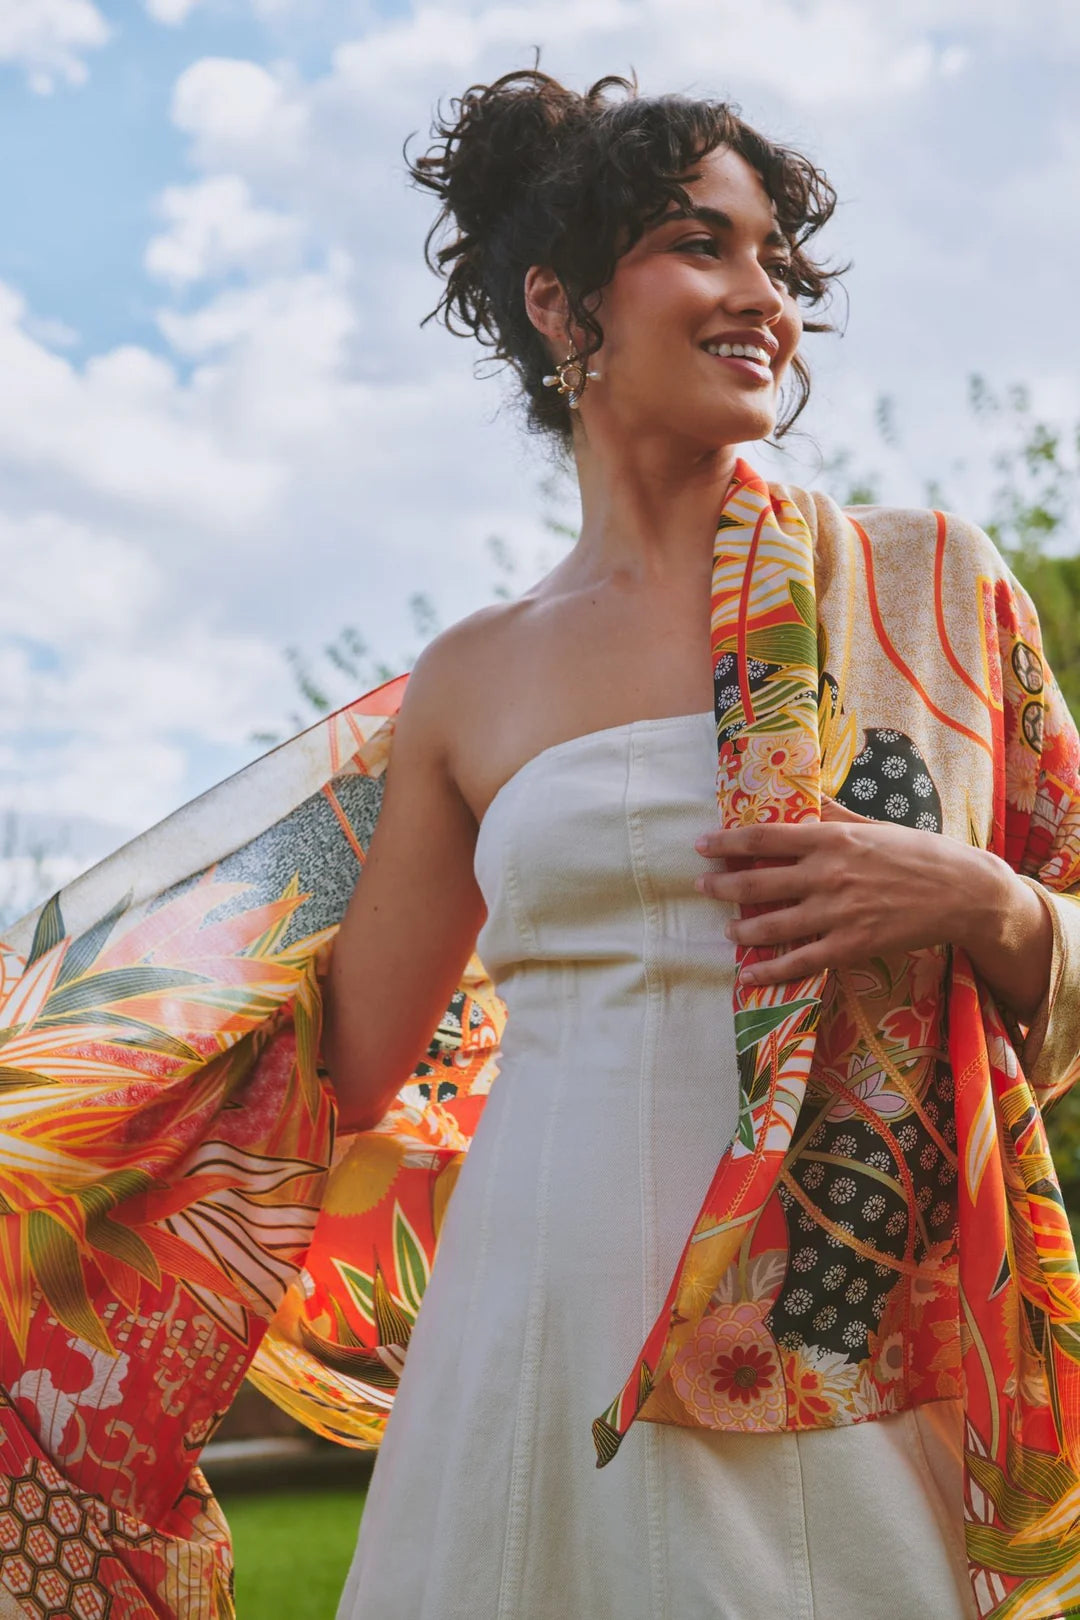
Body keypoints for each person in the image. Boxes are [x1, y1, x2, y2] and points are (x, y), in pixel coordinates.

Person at [321, 70, 1080, 1620]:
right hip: (537, 1295)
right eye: (698, 244)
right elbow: (342, 1060)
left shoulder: (925, 590)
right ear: (560, 304)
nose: (764, 300)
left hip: (828, 1313)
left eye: (774, 262)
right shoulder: (472, 675)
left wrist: (976, 895)